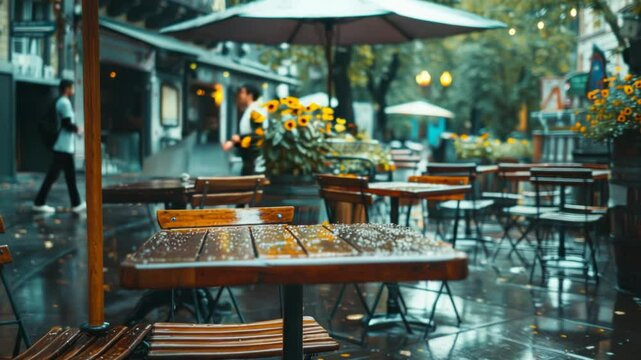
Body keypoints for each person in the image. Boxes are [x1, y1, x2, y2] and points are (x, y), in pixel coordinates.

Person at [33, 79, 85, 213]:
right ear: (67, 88)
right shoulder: (64, 102)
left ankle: (76, 203)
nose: (73, 89)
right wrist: (79, 129)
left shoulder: (61, 101)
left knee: (68, 176)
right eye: (72, 87)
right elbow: (67, 124)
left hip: (63, 146)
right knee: (56, 176)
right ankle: (39, 202)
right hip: (63, 146)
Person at [222, 84, 264, 175]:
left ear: (250, 95)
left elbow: (259, 133)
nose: (240, 96)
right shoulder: (250, 109)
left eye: (242, 93)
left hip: (253, 159)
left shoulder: (256, 110)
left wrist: (237, 139)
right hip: (248, 158)